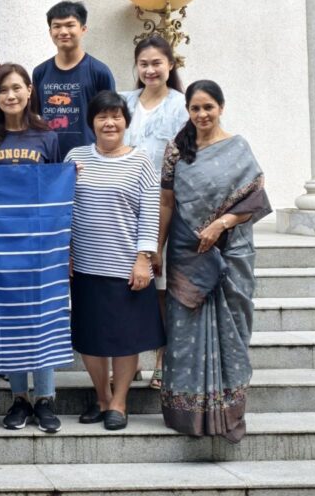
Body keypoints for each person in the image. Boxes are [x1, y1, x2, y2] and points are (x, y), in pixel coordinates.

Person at [159, 80, 270, 442]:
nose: (202, 114)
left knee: (232, 330)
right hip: (187, 256)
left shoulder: (238, 148)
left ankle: (229, 414)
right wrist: (154, 250)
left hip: (231, 253)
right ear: (187, 111)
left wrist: (222, 222)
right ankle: (188, 416)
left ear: (221, 107)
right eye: (195, 108)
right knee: (185, 335)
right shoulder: (177, 150)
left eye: (208, 107)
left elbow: (255, 199)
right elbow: (167, 204)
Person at [65, 91, 164, 431]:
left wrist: (143, 259)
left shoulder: (141, 160)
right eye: (102, 117)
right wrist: (65, 253)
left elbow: (150, 213)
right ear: (92, 122)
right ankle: (102, 398)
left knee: (125, 339)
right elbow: (63, 209)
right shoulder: (75, 157)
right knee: (90, 339)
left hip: (126, 266)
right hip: (86, 266)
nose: (110, 123)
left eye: (116, 116)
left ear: (125, 121)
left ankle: (119, 402)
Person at [0, 63, 62, 432]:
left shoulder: (47, 136)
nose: (10, 96)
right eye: (2, 90)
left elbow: (59, 190)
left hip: (41, 242)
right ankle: (19, 399)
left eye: (16, 88)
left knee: (40, 319)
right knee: (9, 320)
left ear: (29, 90)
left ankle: (44, 400)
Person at [120, 35, 188, 390]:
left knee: (162, 289)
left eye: (156, 63)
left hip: (168, 206)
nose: (150, 70)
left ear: (170, 65)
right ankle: (129, 362)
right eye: (143, 64)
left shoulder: (181, 105)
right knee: (128, 286)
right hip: (123, 207)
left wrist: (157, 243)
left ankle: (163, 360)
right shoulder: (124, 101)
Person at [32, 1, 116, 158]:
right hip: (50, 159)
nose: (63, 31)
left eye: (70, 25)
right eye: (57, 26)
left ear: (83, 29)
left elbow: (111, 119)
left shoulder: (99, 72)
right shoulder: (39, 72)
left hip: (90, 159)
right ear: (50, 32)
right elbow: (35, 117)